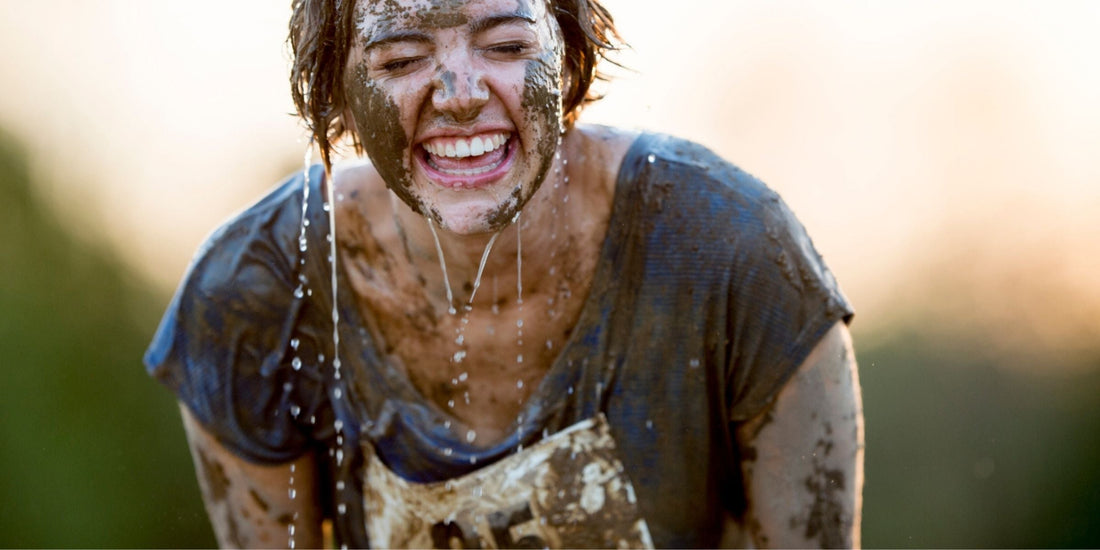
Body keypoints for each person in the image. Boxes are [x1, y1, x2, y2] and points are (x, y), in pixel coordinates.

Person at [145, 0, 864, 547]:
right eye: (399, 59)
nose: (460, 93)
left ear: (570, 54)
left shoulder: (734, 256)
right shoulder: (255, 299)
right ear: (336, 86)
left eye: (507, 46)